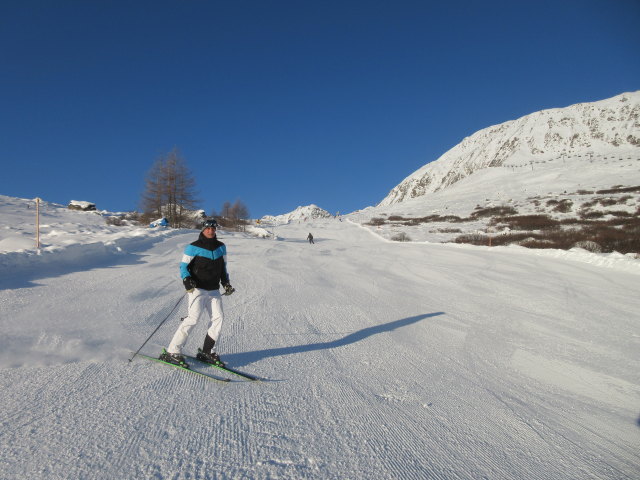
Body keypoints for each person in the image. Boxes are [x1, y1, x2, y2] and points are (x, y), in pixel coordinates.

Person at [160, 218, 234, 368]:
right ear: (203, 229)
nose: (210, 231)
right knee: (193, 319)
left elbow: (223, 268)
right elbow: (183, 267)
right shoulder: (193, 247)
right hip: (197, 289)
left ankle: (208, 352)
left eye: (213, 229)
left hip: (213, 290)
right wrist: (186, 279)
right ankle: (172, 351)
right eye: (208, 228)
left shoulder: (221, 247)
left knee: (218, 318)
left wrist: (225, 282)